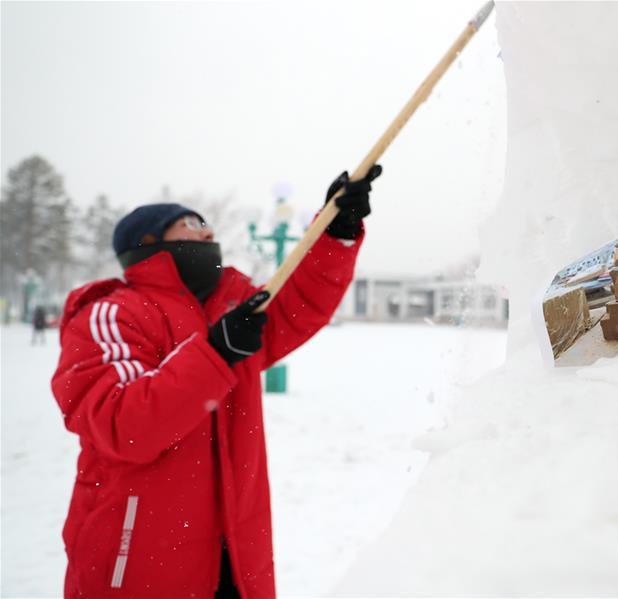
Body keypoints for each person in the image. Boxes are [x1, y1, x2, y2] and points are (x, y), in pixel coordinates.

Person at [50, 166, 381, 599]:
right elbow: (122, 424)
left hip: (236, 556)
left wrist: (334, 231)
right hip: (138, 560)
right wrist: (214, 354)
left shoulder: (233, 307)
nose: (207, 234)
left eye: (209, 225)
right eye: (191, 224)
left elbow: (298, 303)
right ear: (147, 242)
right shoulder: (113, 313)